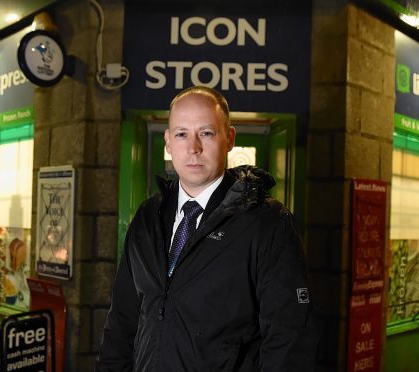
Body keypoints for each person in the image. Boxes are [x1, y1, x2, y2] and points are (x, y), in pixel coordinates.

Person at [96, 86, 318, 371]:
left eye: (206, 133)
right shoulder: (147, 217)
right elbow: (122, 321)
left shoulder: (266, 222)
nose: (193, 148)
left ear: (229, 138)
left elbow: (290, 339)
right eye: (181, 134)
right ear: (168, 142)